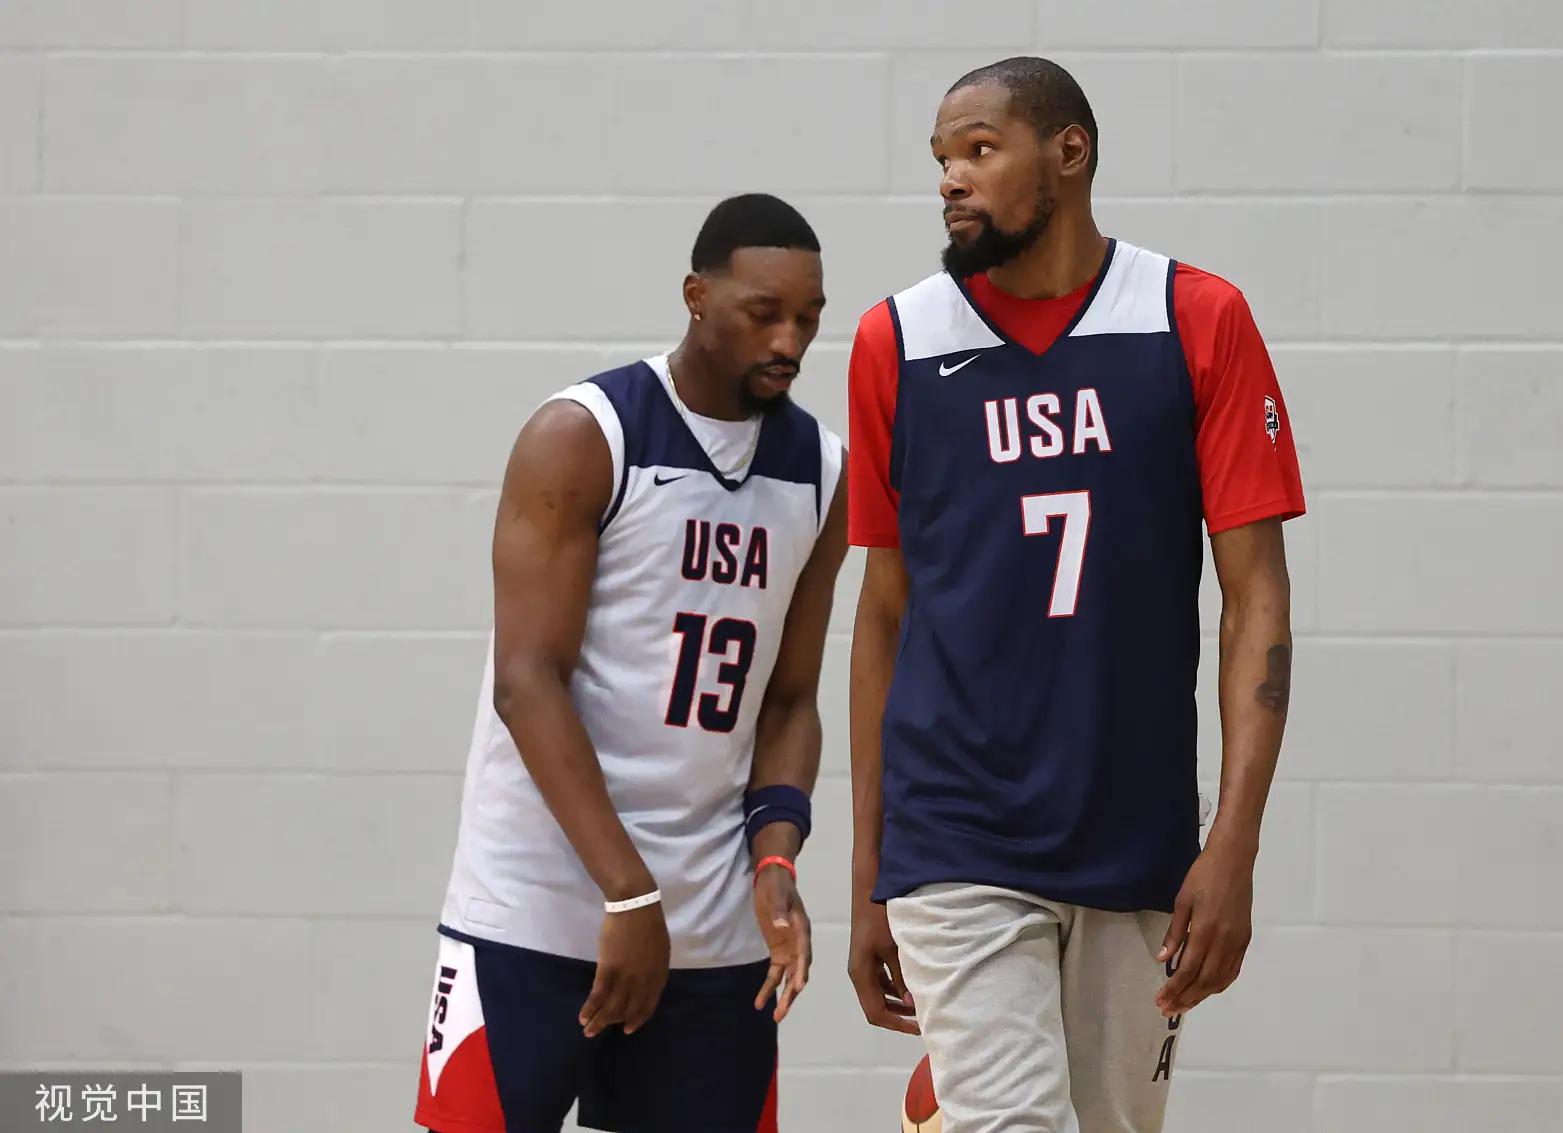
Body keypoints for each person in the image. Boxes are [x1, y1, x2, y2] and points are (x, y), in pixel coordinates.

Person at [845, 58, 1306, 1133]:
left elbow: (1256, 599)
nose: (951, 178)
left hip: (1135, 830)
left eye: (979, 148)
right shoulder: (895, 341)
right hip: (956, 829)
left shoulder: (1193, 317)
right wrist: (870, 867)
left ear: (1068, 152)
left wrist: (1233, 843)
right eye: (941, 159)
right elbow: (882, 614)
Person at [416, 193, 847, 1133]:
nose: (790, 341)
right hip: (539, 901)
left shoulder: (820, 468)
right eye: (763, 313)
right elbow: (527, 681)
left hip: (712, 921)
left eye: (809, 318)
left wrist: (776, 854)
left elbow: (790, 700)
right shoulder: (584, 434)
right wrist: (630, 889)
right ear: (697, 296)